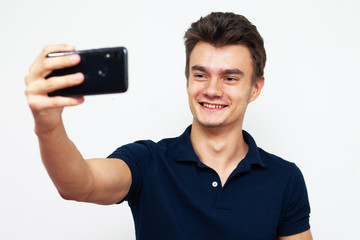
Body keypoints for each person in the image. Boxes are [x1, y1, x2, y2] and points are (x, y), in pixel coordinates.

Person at [25, 12, 312, 240]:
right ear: (187, 80)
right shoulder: (147, 162)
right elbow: (79, 184)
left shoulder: (285, 178)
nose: (212, 89)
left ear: (255, 88)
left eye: (230, 78)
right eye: (200, 75)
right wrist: (48, 125)